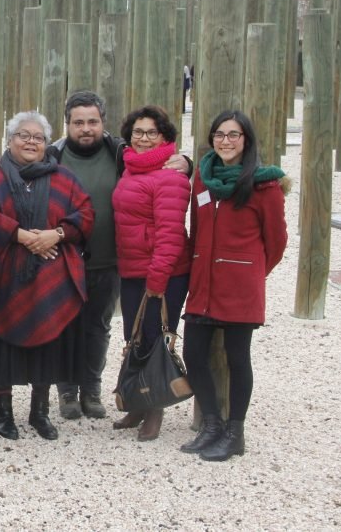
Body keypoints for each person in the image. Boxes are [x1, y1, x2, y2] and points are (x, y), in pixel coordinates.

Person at [0, 91, 189, 422]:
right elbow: (17, 156)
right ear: (67, 124)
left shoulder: (122, 153)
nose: (86, 128)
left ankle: (91, 389)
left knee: (99, 328)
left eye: (93, 121)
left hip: (110, 259)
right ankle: (67, 391)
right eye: (78, 122)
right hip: (60, 260)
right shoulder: (53, 153)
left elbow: (160, 158)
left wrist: (187, 162)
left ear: (103, 123)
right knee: (62, 324)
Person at [0, 111, 93, 442]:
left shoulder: (64, 177)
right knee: (2, 346)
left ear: (47, 143)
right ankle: (3, 410)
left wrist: (57, 234)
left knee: (48, 343)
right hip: (3, 274)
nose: (31, 142)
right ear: (10, 140)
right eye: (23, 135)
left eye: (38, 137)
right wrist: (20, 235)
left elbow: (86, 214)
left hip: (51, 278)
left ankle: (40, 410)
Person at [181, 110, 288, 461]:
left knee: (238, 358)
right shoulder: (203, 178)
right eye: (219, 134)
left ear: (246, 140)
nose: (225, 141)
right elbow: (197, 229)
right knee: (193, 354)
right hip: (203, 283)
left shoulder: (264, 185)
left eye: (233, 135)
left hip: (240, 286)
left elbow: (276, 242)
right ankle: (212, 424)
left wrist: (251, 271)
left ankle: (235, 431)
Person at [109, 105, 192, 441]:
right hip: (133, 268)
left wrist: (157, 280)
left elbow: (170, 235)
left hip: (162, 274)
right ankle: (139, 402)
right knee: (135, 337)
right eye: (138, 132)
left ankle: (156, 407)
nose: (143, 139)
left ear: (164, 137)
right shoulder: (131, 168)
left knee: (157, 339)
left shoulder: (171, 176)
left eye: (151, 133)